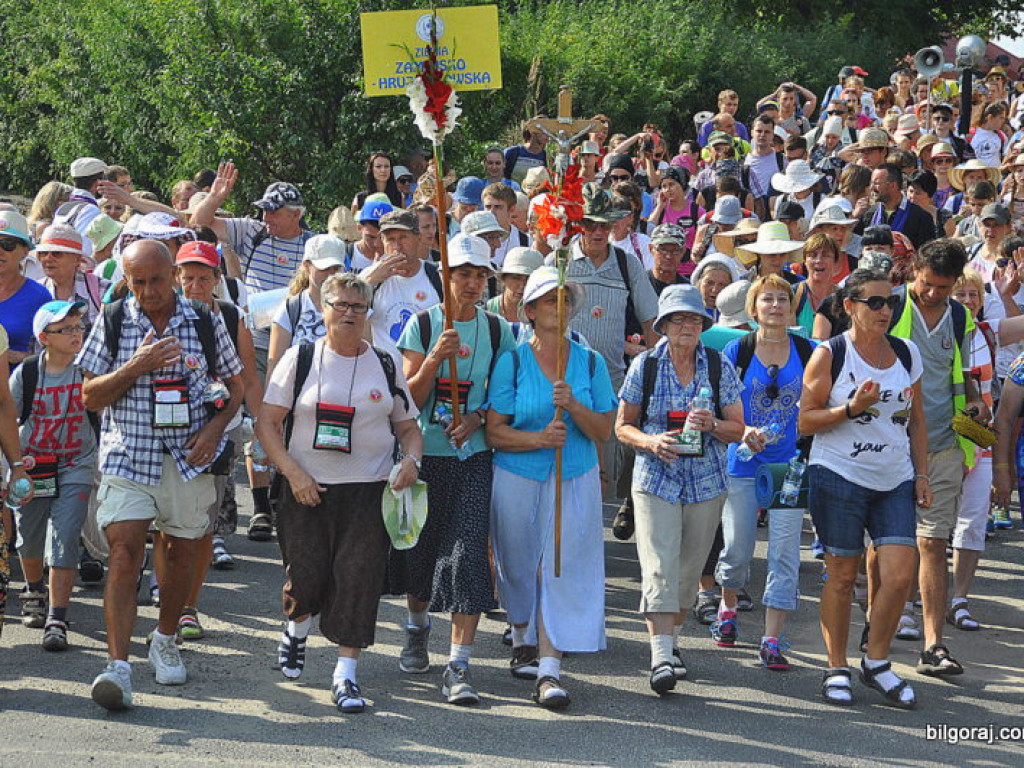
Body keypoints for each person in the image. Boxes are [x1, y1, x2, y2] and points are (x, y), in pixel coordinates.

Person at [78, 239, 243, 711]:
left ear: (173, 274)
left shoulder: (206, 319)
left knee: (180, 551)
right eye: (138, 282)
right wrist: (136, 366)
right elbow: (90, 394)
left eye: (156, 280)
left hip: (187, 456)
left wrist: (214, 430)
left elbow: (235, 386)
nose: (148, 292)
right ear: (125, 280)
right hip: (129, 454)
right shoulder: (112, 319)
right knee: (125, 553)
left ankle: (165, 637)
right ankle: (118, 667)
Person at [258, 272, 422, 714]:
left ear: (368, 313)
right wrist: (294, 474)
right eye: (340, 305)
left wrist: (411, 461)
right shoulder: (301, 358)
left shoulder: (385, 362)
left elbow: (408, 428)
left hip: (368, 492)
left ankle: (345, 675)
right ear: (324, 310)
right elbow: (268, 423)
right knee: (307, 576)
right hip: (308, 488)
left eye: (358, 307)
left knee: (358, 581)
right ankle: (296, 631)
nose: (349, 313)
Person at [394, 233, 515, 706]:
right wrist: (433, 360)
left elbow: (501, 396)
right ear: (445, 278)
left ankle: (459, 663)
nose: (470, 283)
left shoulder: (498, 330)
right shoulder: (423, 327)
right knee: (422, 556)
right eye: (462, 274)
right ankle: (417, 625)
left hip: (475, 457)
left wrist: (477, 417)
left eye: (478, 275)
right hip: (428, 455)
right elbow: (409, 401)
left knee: (466, 555)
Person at [486, 266, 616, 708]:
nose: (558, 308)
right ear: (529, 311)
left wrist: (573, 405)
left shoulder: (591, 361)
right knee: (518, 565)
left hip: (574, 475)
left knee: (558, 569)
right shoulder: (514, 360)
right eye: (547, 301)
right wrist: (537, 438)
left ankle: (549, 668)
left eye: (564, 300)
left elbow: (603, 430)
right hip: (518, 474)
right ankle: (521, 629)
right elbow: (494, 432)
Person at [799, 268, 928, 708]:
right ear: (849, 306)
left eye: (890, 302)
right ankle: (836, 667)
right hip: (838, 475)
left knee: (898, 577)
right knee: (841, 577)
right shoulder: (830, 353)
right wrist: (852, 407)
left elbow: (918, 422)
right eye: (874, 302)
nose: (885, 310)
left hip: (894, 478)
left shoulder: (908, 354)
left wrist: (922, 474)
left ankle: (876, 662)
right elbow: (805, 420)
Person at [616, 284, 745, 695]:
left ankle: (670, 644)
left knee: (689, 573)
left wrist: (714, 427)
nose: (687, 326)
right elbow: (622, 426)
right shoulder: (645, 366)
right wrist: (650, 442)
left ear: (704, 324)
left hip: (706, 480)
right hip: (655, 477)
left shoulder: (719, 365)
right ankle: (660, 658)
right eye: (678, 319)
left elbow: (738, 428)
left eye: (693, 319)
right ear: (664, 325)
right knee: (658, 566)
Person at [887, 238, 987, 679]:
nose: (933, 294)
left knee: (933, 541)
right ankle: (882, 625)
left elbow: (968, 381)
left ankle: (933, 644)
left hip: (947, 444)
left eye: (943, 288)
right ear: (915, 272)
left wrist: (980, 440)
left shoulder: (963, 317)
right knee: (888, 542)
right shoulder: (887, 306)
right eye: (928, 284)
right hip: (889, 442)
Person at [717, 275, 814, 669]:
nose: (775, 306)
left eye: (782, 299)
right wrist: (744, 431)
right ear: (753, 307)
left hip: (789, 464)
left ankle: (773, 638)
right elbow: (721, 404)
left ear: (791, 307)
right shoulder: (735, 350)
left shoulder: (810, 350)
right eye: (767, 299)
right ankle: (727, 608)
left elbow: (820, 398)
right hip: (742, 460)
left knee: (785, 552)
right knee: (739, 549)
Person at [172, 240, 263, 621]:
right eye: (188, 277)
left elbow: (247, 377)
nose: (195, 285)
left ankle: (189, 603)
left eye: (203, 278)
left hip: (220, 425)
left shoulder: (230, 316)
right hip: (172, 427)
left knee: (205, 519)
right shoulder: (164, 314)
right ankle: (167, 591)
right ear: (177, 278)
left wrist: (259, 428)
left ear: (216, 280)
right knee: (168, 520)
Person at [10, 301, 95, 650]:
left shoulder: (90, 370)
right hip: (33, 467)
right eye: (67, 329)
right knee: (28, 535)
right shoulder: (27, 374)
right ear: (45, 337)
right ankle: (33, 589)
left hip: (76, 463)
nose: (77, 335)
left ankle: (57, 616)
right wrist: (14, 466)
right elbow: (7, 420)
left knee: (65, 535)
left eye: (79, 327)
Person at [192, 162, 312, 379]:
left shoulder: (312, 244)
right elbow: (199, 224)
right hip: (256, 340)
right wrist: (215, 198)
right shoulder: (252, 232)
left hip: (297, 342)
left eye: (274, 212)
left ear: (296, 215)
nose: (265, 217)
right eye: (264, 210)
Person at [267, 235, 348, 388]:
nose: (330, 275)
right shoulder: (290, 309)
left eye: (335, 269)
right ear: (306, 265)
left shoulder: (356, 310)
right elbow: (275, 368)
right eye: (324, 268)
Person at [361, 210, 443, 358]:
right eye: (390, 239)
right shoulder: (369, 278)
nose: (397, 246)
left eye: (403, 237)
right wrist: (370, 282)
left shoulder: (437, 276)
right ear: (383, 243)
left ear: (418, 239)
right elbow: (352, 319)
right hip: (385, 374)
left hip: (426, 373)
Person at [0, 210, 53, 365]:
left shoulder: (39, 296)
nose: (0, 251)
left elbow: (54, 352)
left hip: (17, 385)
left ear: (25, 252)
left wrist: (21, 357)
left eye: (8, 245)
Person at [35, 224, 110, 324]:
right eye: (43, 253)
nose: (48, 259)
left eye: (57, 253)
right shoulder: (35, 291)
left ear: (77, 259)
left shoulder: (102, 289)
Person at [858, 164, 936, 251]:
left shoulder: (921, 217)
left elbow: (926, 256)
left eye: (876, 183)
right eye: (871, 183)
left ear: (893, 186)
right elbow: (856, 250)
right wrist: (854, 216)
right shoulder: (869, 214)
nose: (872, 188)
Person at [486, 247, 544, 323]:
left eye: (529, 279)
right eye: (516, 278)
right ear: (503, 279)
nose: (522, 285)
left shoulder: (545, 315)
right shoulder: (486, 311)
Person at [504, 119, 550, 185]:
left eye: (548, 130)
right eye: (543, 131)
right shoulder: (512, 152)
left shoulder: (546, 157)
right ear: (532, 131)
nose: (547, 134)